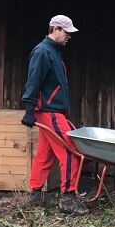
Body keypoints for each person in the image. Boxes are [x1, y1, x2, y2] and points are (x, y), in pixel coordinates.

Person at [22, 15, 90, 215]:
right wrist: (29, 107)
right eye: (67, 32)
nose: (69, 36)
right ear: (56, 29)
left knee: (46, 153)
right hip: (50, 112)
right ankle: (68, 199)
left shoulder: (53, 52)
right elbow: (33, 81)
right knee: (72, 151)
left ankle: (34, 196)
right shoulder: (43, 52)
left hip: (52, 111)